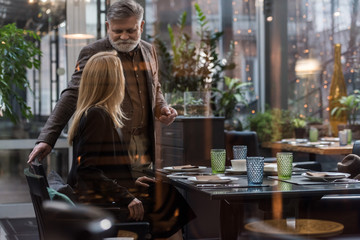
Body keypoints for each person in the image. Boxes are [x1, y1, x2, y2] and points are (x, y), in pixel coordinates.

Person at [66, 51, 194, 239]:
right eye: (121, 76)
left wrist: (129, 183)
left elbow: (99, 167)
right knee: (166, 200)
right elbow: (87, 171)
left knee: (164, 193)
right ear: (112, 82)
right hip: (102, 206)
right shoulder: (97, 116)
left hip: (101, 200)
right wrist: (126, 196)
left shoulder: (95, 113)